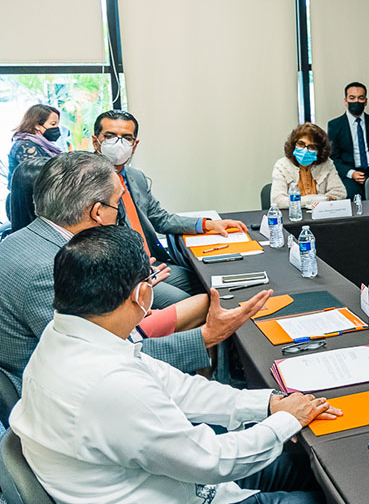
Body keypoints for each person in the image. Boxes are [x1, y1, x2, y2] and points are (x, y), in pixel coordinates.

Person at [8, 224, 347, 504]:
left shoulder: (72, 334)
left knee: (301, 468)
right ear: (142, 295)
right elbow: (209, 461)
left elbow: (180, 388)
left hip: (158, 490)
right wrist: (286, 421)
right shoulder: (109, 385)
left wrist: (268, 405)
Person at [0, 152, 268, 391]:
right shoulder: (51, 269)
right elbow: (108, 358)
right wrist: (208, 336)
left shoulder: (21, 241)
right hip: (64, 394)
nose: (119, 215)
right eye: (117, 204)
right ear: (96, 212)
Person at [92, 110, 246, 302]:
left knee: (211, 283)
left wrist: (208, 224)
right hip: (124, 276)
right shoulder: (85, 181)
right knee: (191, 302)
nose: (118, 143)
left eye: (126, 138)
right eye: (109, 136)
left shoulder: (135, 177)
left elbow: (160, 218)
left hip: (153, 264)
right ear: (95, 140)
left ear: (135, 145)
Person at [327, 82, 369, 201]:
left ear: (366, 101)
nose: (356, 101)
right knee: (353, 199)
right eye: (352, 98)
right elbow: (333, 158)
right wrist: (351, 173)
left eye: (361, 98)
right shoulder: (335, 125)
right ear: (345, 100)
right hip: (349, 173)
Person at [270, 123, 347, 209]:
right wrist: (312, 200)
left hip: (321, 215)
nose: (305, 150)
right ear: (293, 144)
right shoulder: (282, 166)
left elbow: (340, 193)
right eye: (301, 144)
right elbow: (277, 201)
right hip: (294, 216)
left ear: (319, 151)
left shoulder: (327, 164)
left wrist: (298, 201)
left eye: (312, 147)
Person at [8, 103, 64, 187]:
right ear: (37, 125)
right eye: (53, 124)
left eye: (57, 124)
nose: (57, 128)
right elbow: (39, 177)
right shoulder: (24, 146)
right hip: (26, 198)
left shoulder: (45, 145)